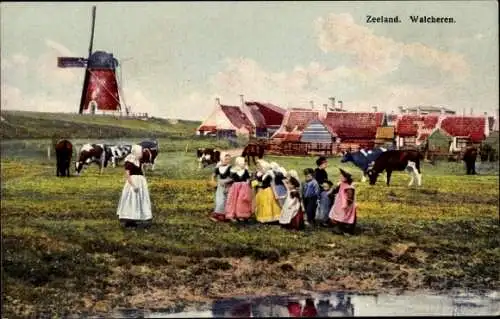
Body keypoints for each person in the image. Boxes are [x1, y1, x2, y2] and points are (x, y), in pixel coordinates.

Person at [116, 144, 152, 228]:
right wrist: (133, 185)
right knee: (131, 200)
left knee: (138, 200)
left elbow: (142, 169)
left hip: (140, 182)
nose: (141, 153)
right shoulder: (130, 160)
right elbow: (127, 174)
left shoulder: (138, 160)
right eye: (140, 151)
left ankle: (136, 217)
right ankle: (129, 220)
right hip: (133, 182)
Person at [329, 168, 357, 235]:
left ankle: (347, 231)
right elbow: (335, 191)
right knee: (338, 216)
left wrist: (347, 205)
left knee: (346, 217)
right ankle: (339, 228)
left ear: (346, 178)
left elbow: (350, 198)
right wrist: (333, 190)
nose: (340, 176)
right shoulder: (341, 184)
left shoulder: (349, 188)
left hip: (346, 205)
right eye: (341, 175)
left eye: (342, 176)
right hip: (339, 203)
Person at [225, 156, 252, 222]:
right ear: (238, 163)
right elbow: (230, 180)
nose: (244, 164)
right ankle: (234, 215)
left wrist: (248, 186)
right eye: (242, 163)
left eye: (244, 163)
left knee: (242, 201)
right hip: (235, 188)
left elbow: (248, 179)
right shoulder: (233, 171)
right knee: (234, 201)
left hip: (244, 187)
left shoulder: (245, 171)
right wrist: (227, 186)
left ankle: (242, 214)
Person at [209, 152, 232, 222]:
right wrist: (213, 181)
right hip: (220, 186)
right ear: (221, 159)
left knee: (227, 199)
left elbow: (233, 178)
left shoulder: (230, 167)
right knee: (220, 199)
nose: (227, 161)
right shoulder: (218, 168)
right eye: (225, 159)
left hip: (228, 185)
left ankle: (225, 214)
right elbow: (213, 175)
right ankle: (217, 214)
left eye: (228, 159)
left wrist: (225, 181)